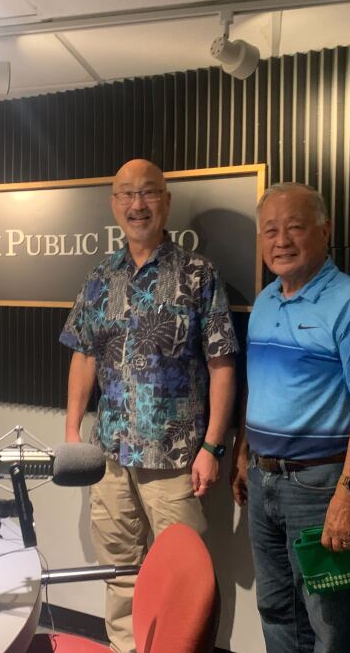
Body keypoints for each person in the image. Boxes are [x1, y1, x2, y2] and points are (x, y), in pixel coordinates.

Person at [60, 158, 238, 652]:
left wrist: (213, 447)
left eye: (149, 193)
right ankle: (123, 648)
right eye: (127, 195)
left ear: (166, 201)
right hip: (110, 457)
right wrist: (73, 435)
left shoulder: (199, 275)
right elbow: (84, 354)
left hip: (176, 459)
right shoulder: (100, 276)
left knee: (187, 582)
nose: (138, 205)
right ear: (114, 204)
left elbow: (223, 365)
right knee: (119, 571)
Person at [231, 182, 350, 652]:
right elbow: (256, 386)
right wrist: (243, 453)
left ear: (325, 232)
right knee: (278, 612)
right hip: (264, 484)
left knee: (333, 629)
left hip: (323, 487)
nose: (281, 241)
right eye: (270, 231)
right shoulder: (264, 302)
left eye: (295, 228)